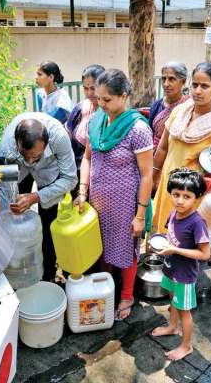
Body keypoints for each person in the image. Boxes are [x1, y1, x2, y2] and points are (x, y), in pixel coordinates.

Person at [75, 69, 153, 321]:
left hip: (125, 204)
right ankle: (105, 287)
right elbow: (87, 158)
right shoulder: (96, 120)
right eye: (98, 98)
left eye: (107, 100)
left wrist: (140, 215)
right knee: (100, 248)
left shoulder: (138, 129)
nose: (101, 104)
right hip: (97, 201)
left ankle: (127, 295)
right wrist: (82, 190)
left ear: (124, 96)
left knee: (126, 249)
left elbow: (146, 175)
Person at [152, 62, 211, 238]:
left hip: (194, 195)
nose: (197, 91)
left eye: (204, 86)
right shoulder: (179, 112)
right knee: (161, 239)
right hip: (168, 188)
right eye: (195, 85)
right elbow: (163, 148)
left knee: (185, 245)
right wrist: (152, 177)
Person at [0, 112, 78, 281]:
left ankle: (48, 273)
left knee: (48, 223)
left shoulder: (59, 137)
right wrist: (8, 222)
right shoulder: (7, 148)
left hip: (49, 170)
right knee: (14, 212)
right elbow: (5, 191)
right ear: (17, 144)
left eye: (35, 156)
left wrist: (36, 196)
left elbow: (70, 179)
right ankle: (18, 269)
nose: (30, 161)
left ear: (46, 145)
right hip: (17, 170)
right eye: (25, 155)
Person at [150, 168, 210, 361]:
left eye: (187, 196)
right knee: (172, 299)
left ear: (197, 198)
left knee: (185, 311)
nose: (180, 200)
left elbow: (204, 253)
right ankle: (172, 326)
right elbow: (169, 237)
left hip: (185, 275)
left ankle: (186, 346)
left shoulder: (197, 223)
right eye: (176, 195)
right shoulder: (173, 214)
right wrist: (158, 244)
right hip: (170, 268)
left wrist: (175, 250)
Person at [66, 64, 105, 175]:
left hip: (100, 173)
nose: (89, 93)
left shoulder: (110, 112)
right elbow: (67, 135)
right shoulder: (79, 109)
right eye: (85, 88)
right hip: (77, 170)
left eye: (93, 88)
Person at [149, 62, 190, 148]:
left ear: (183, 81)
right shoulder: (156, 105)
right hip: (155, 153)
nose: (166, 84)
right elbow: (150, 134)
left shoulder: (188, 106)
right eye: (164, 79)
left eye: (171, 79)